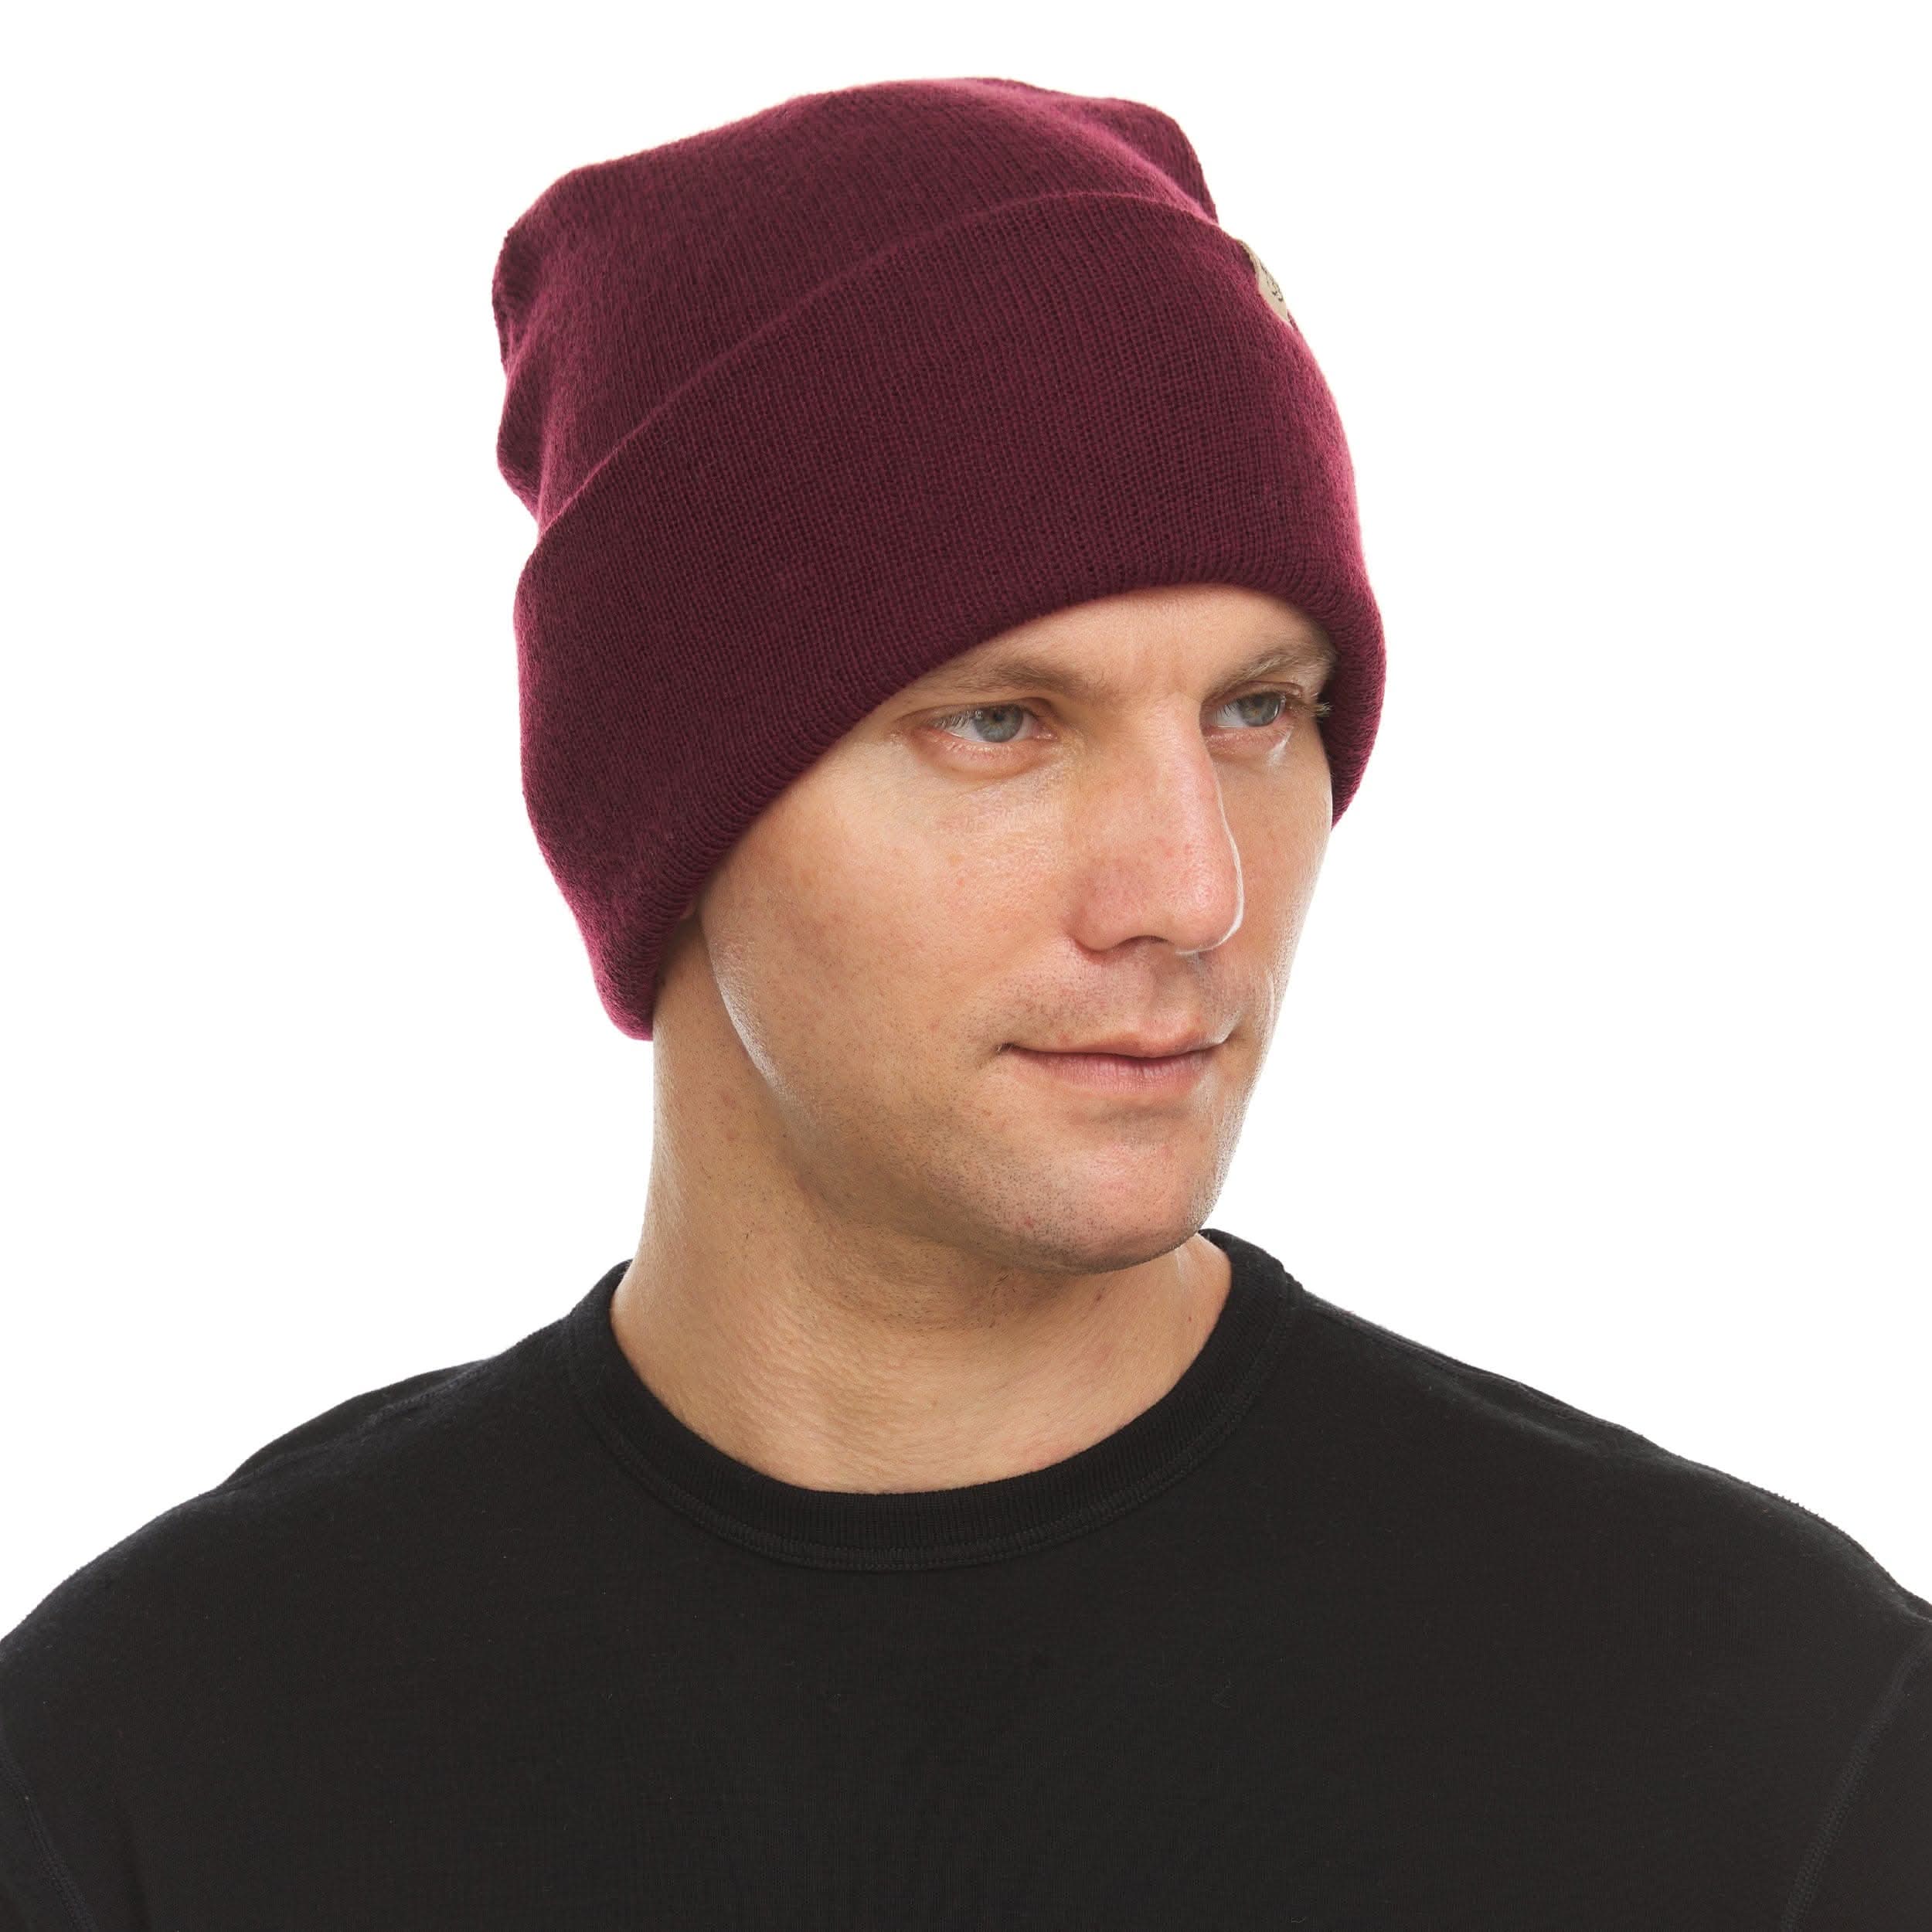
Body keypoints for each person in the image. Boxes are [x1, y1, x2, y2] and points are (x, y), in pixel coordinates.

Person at [2, 74, 1924, 1932]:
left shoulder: (1766, 1734)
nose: (1193, 889)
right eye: (1000, 721)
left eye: (1258, 707)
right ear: (667, 806)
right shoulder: (156, 1766)